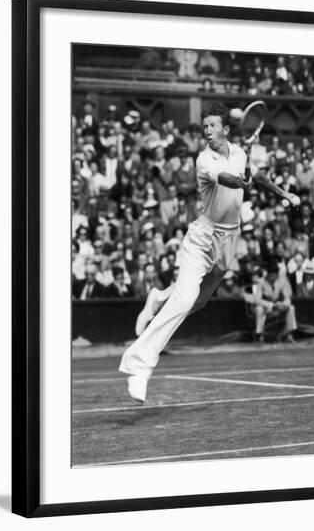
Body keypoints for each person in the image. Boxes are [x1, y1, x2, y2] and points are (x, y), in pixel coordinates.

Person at [118, 102, 300, 402]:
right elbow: (227, 179)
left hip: (229, 239)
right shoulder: (204, 159)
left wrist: (285, 195)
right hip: (203, 237)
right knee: (187, 297)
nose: (207, 131)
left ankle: (159, 297)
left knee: (198, 302)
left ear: (226, 130)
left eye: (212, 126)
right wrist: (240, 178)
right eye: (205, 127)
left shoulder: (240, 153)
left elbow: (260, 177)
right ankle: (139, 366)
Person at [243, 261, 297, 343]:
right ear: (268, 273)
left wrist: (283, 304)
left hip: (278, 308)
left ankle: (288, 334)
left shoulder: (282, 280)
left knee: (291, 308)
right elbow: (257, 299)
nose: (273, 275)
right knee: (259, 308)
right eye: (272, 273)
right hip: (265, 309)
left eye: (275, 273)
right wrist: (271, 305)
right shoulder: (261, 282)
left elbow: (287, 298)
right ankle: (259, 335)